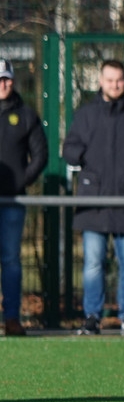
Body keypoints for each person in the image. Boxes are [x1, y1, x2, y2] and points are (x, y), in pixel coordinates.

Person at [63, 59, 124, 336]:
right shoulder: (86, 115)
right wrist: (86, 156)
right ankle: (91, 317)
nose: (115, 85)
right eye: (109, 80)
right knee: (93, 264)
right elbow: (69, 149)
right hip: (92, 202)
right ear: (100, 81)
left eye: (119, 80)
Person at [0, 58, 48, 336]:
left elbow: (40, 155)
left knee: (10, 260)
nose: (2, 84)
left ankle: (12, 317)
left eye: (6, 79)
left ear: (13, 81)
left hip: (13, 203)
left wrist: (20, 181)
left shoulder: (26, 115)